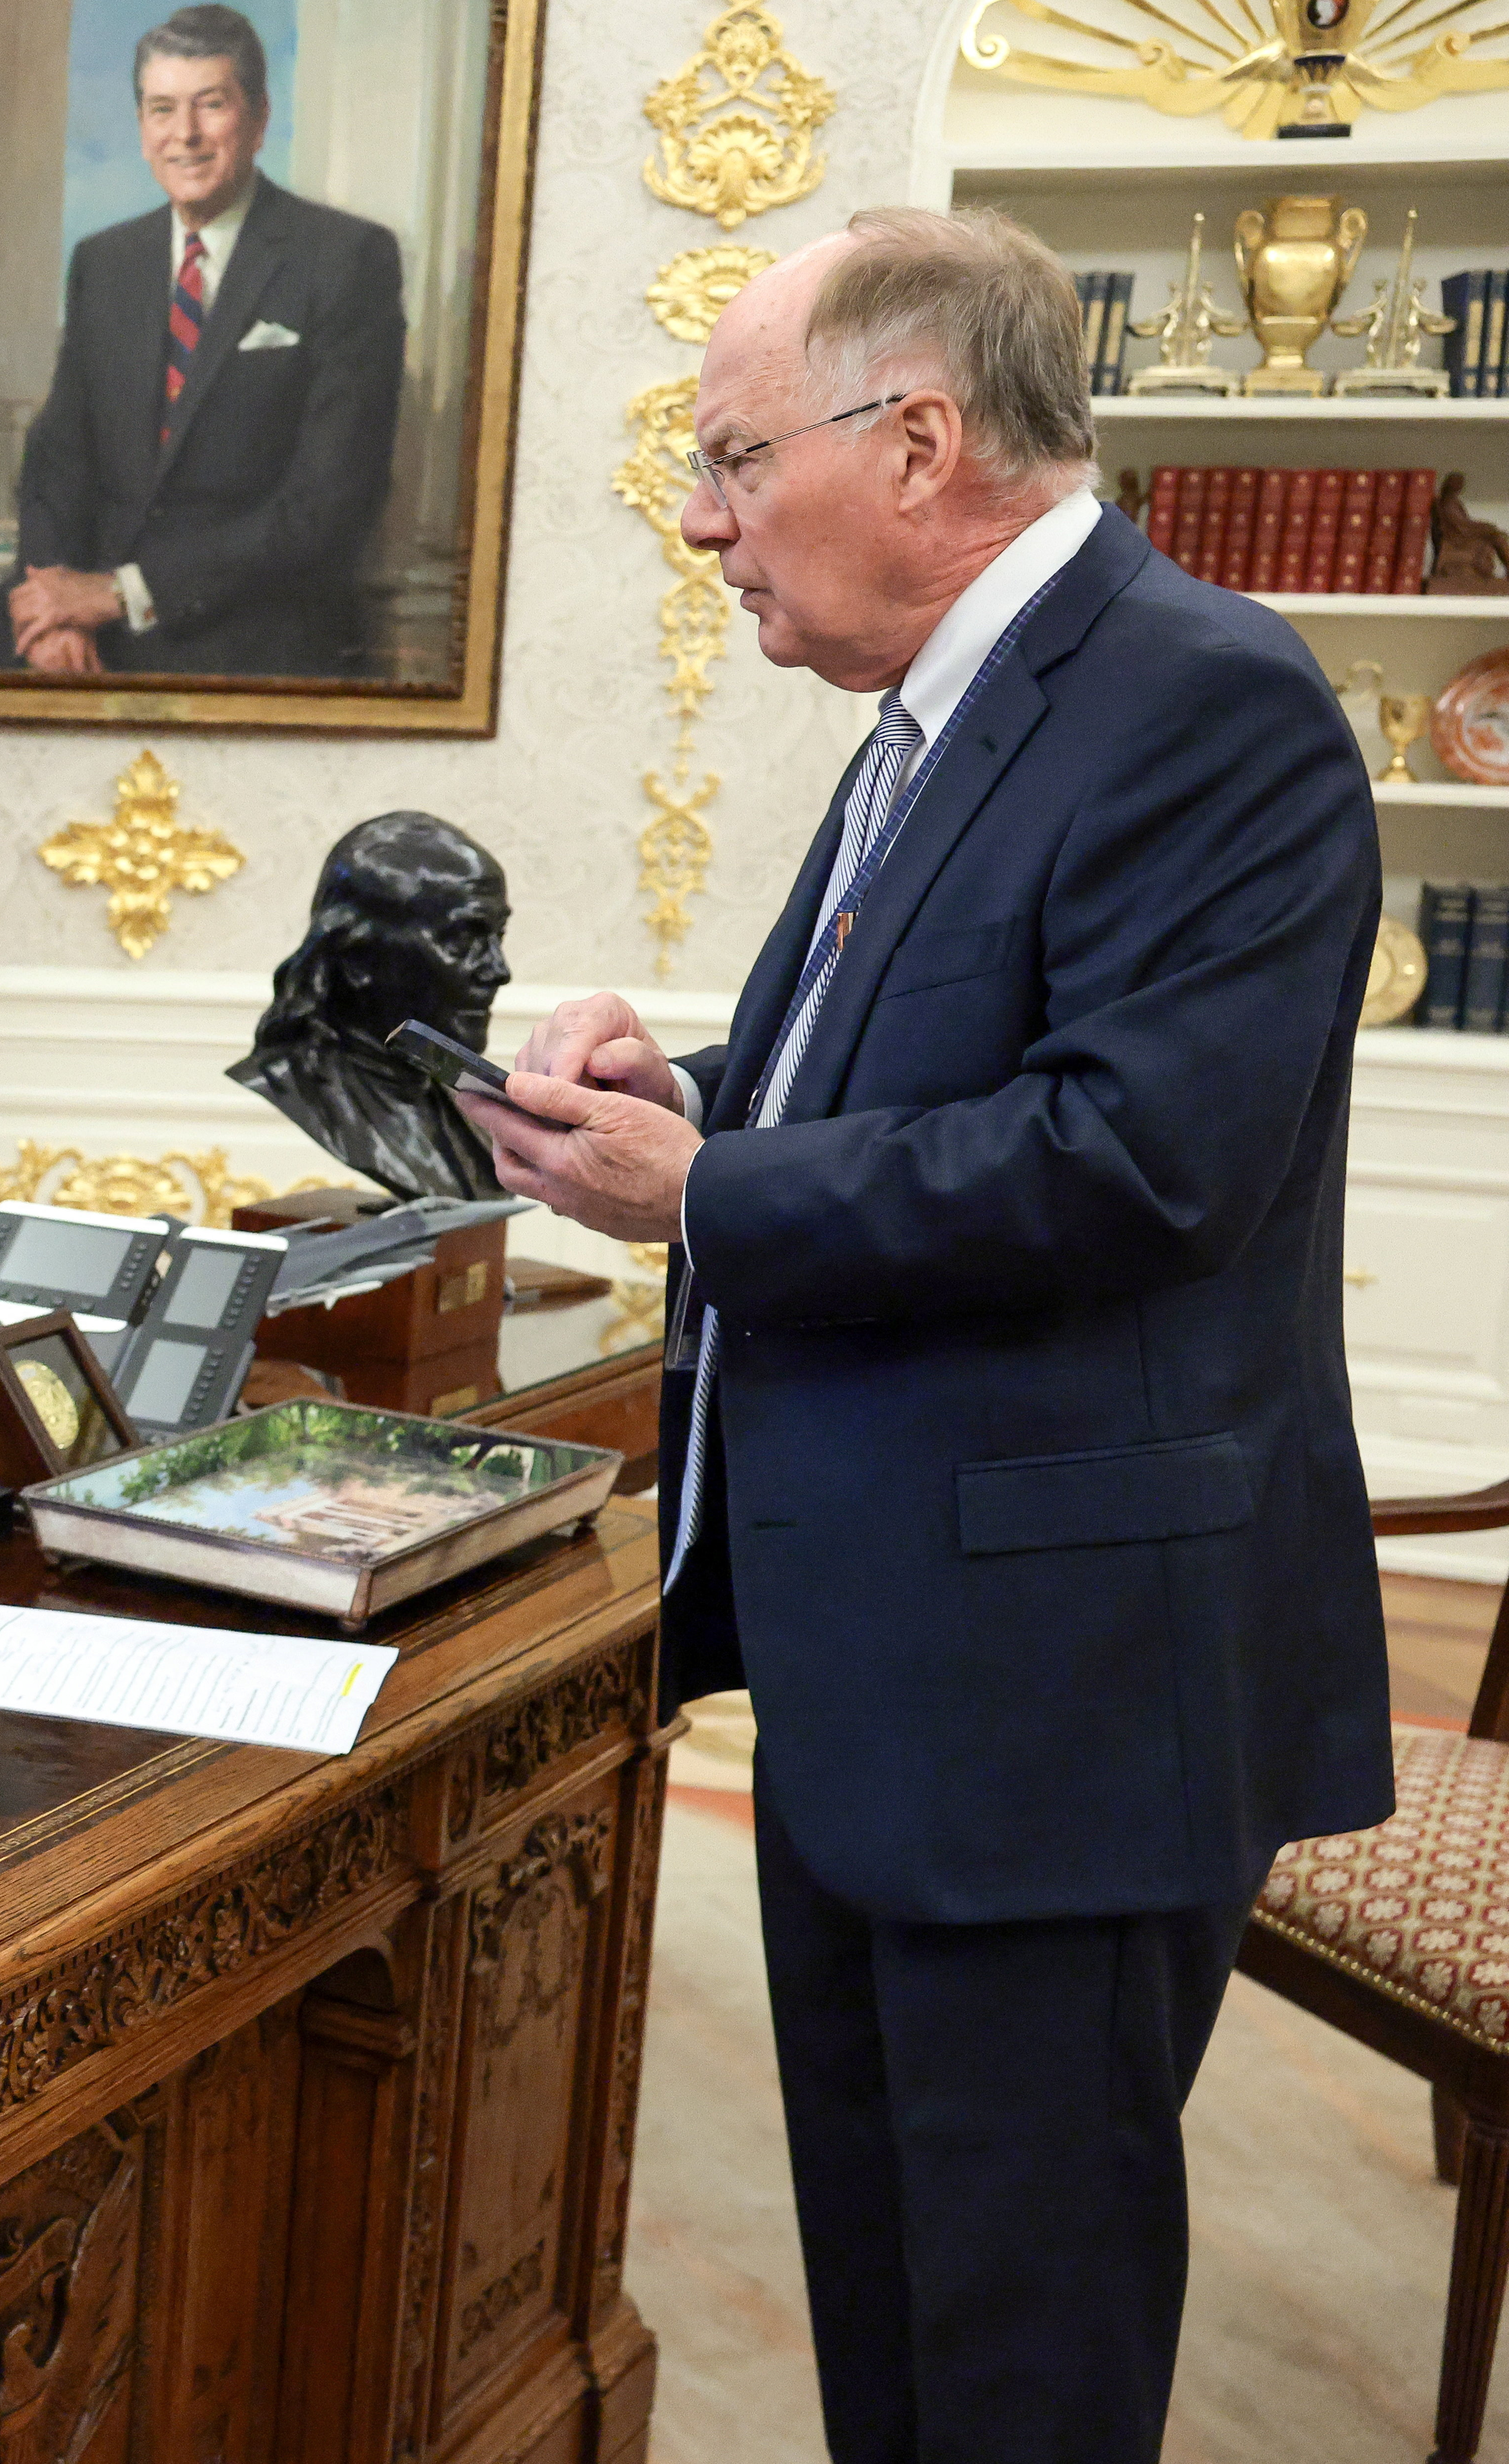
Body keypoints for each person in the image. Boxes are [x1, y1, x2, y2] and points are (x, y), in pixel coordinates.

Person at [458, 207, 1388, 2462]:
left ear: (913, 441)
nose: (698, 523)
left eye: (725, 458)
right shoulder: (937, 713)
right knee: (894, 2308)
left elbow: (1137, 1158)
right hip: (889, 1672)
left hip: (1059, 1706)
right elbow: (921, 1086)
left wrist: (708, 1195)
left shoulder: (1203, 700)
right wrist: (689, 1099)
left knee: (1014, 2353)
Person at [0, 5, 402, 680]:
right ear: (142, 128)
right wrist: (52, 606)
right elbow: (57, 462)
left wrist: (121, 594)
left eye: (212, 105)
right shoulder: (105, 262)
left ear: (259, 118)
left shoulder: (346, 259)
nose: (186, 135)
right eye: (162, 110)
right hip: (86, 607)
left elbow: (328, 506)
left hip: (247, 620)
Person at [225, 811, 510, 1199]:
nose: (498, 970)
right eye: (462, 939)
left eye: (498, 936)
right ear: (358, 957)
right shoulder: (290, 1089)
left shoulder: (468, 1115)